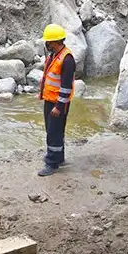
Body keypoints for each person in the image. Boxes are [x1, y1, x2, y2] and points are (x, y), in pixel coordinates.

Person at [37, 24, 76, 177]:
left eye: (48, 42)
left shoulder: (67, 59)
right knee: (52, 130)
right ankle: (58, 158)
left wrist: (59, 106)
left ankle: (52, 163)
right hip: (50, 100)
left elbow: (66, 87)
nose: (46, 44)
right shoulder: (54, 56)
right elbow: (49, 78)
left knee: (54, 132)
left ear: (55, 42)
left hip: (58, 103)